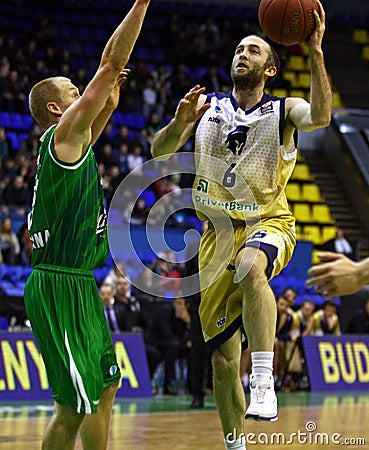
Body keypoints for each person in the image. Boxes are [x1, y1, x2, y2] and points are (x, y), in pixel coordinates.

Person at [151, 1, 331, 447]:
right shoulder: (206, 107)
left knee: (253, 268)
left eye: (253, 50)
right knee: (223, 361)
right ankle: (236, 444)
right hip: (215, 236)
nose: (242, 54)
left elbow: (322, 117)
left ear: (269, 69)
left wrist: (316, 53)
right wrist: (178, 123)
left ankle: (265, 380)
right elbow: (159, 153)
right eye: (239, 49)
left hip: (268, 221)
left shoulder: (284, 110)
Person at [23, 2, 150, 449]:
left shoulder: (73, 141)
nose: (86, 93)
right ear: (57, 108)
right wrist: (142, 3)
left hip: (80, 284)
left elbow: (107, 95)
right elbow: (111, 63)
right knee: (74, 405)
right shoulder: (63, 135)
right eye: (77, 91)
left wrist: (110, 97)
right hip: (57, 285)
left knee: (106, 385)